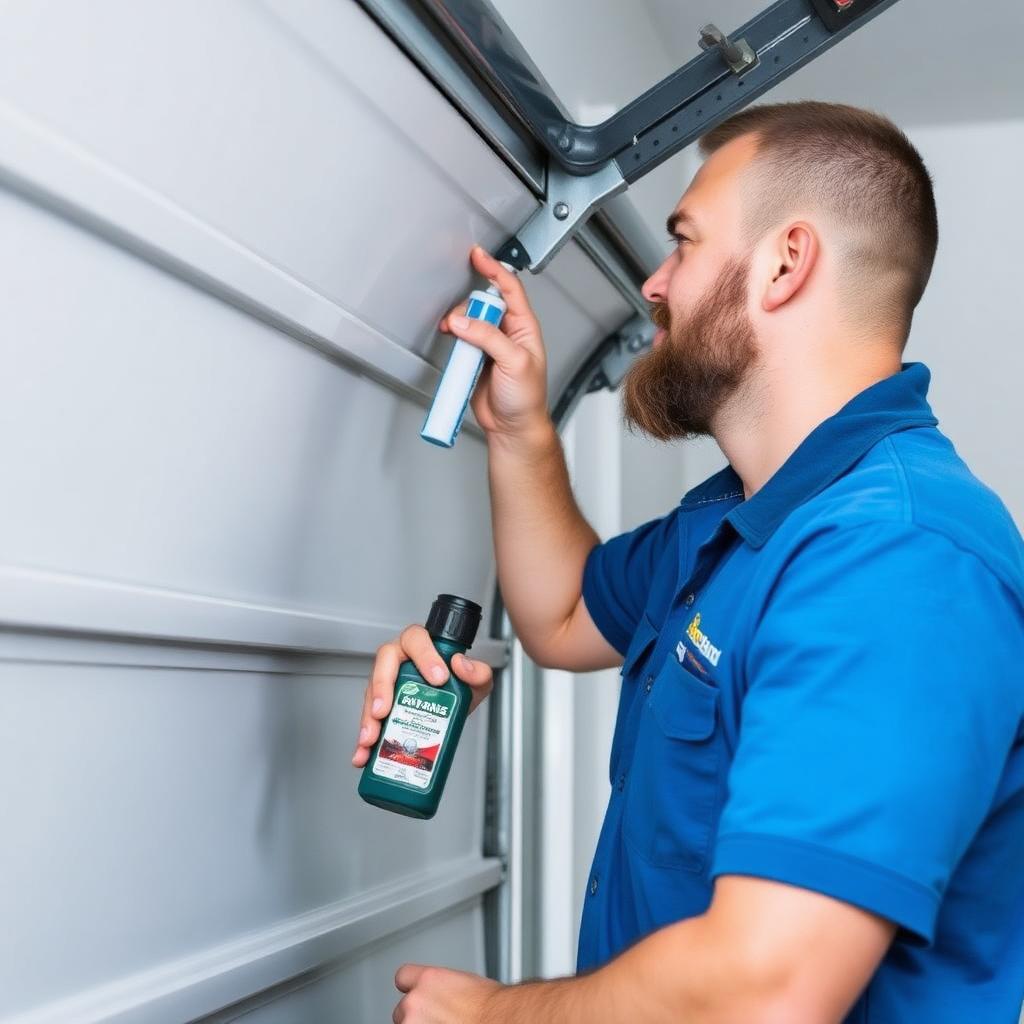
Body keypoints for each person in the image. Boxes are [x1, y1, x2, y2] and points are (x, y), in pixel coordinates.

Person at [352, 101, 1024, 1023]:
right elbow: (560, 613)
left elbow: (770, 991)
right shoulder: (738, 520)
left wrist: (494, 1016)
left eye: (684, 242)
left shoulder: (894, 561)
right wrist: (518, 430)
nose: (654, 283)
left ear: (786, 263)